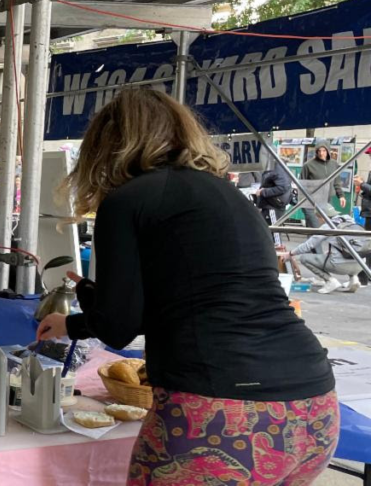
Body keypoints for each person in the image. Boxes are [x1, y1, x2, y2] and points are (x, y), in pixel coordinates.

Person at [36, 89, 337, 485]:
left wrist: (90, 298)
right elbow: (186, 300)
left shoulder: (126, 200)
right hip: (314, 405)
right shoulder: (229, 195)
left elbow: (118, 327)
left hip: (222, 409)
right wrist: (76, 320)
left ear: (105, 145)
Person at [282, 206, 367, 294]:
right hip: (361, 264)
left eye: (318, 218)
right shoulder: (350, 220)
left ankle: (330, 281)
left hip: (340, 265)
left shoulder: (327, 226)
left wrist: (290, 253)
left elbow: (308, 245)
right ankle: (354, 279)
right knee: (351, 252)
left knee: (304, 258)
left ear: (322, 217)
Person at [300, 141, 345, 229]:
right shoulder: (308, 165)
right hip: (312, 201)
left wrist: (341, 196)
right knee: (315, 228)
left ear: (328, 151)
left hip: (327, 200)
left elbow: (336, 182)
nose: (321, 153)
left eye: (324, 151)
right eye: (319, 151)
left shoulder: (334, 164)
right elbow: (302, 185)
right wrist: (304, 204)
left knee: (327, 228)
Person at [254, 160, 291, 240]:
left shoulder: (277, 167)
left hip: (273, 206)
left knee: (274, 234)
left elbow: (283, 187)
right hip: (269, 205)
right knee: (268, 234)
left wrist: (263, 192)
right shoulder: (270, 166)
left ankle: (276, 248)